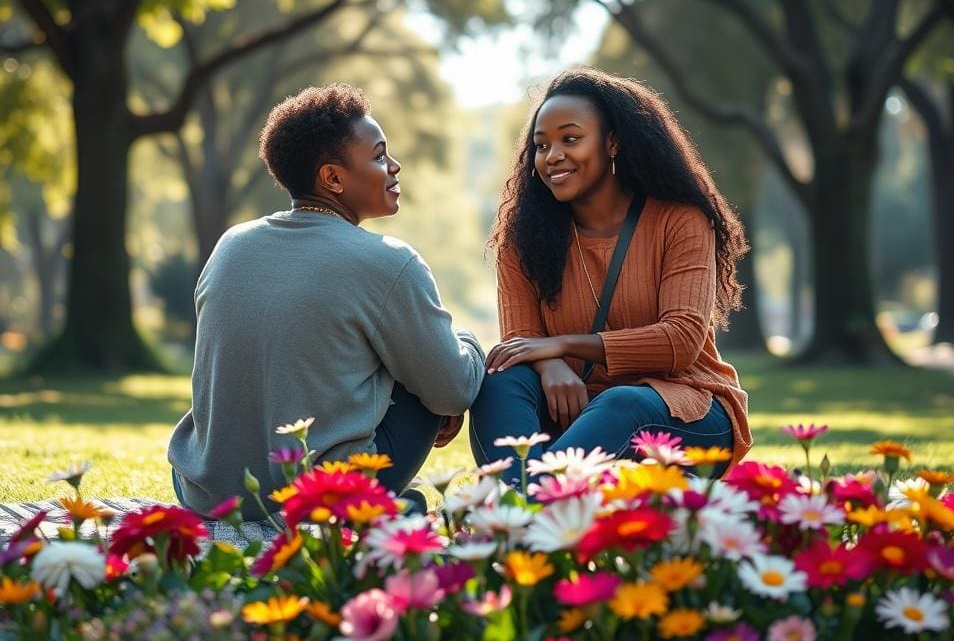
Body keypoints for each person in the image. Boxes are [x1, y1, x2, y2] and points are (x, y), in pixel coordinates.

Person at [168, 84, 485, 520]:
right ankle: (383, 506)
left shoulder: (231, 243)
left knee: (410, 363)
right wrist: (466, 343)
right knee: (432, 373)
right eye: (378, 156)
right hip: (322, 498)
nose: (394, 167)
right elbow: (454, 390)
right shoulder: (388, 261)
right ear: (333, 178)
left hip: (208, 489)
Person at [469, 67, 752, 487]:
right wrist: (549, 365)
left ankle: (524, 509)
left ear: (613, 142)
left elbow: (681, 340)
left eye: (570, 138)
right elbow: (520, 342)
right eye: (541, 146)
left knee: (622, 404)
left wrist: (561, 345)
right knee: (500, 379)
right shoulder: (522, 237)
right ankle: (527, 504)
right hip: (573, 406)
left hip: (687, 408)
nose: (552, 156)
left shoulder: (680, 220)